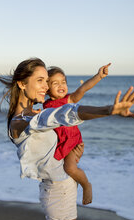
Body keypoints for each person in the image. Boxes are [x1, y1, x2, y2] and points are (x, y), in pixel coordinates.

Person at [0, 58, 134, 220]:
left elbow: (63, 115)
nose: (45, 86)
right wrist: (108, 110)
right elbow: (63, 114)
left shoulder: (34, 111)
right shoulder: (20, 121)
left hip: (67, 183)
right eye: (40, 80)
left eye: (45, 80)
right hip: (55, 190)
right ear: (22, 84)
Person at [43, 64, 111, 205]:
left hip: (72, 142)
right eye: (55, 83)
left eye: (63, 82)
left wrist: (98, 76)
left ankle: (86, 185)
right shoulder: (45, 106)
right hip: (60, 143)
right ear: (47, 88)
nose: (61, 85)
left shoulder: (68, 100)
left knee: (70, 168)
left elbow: (83, 89)